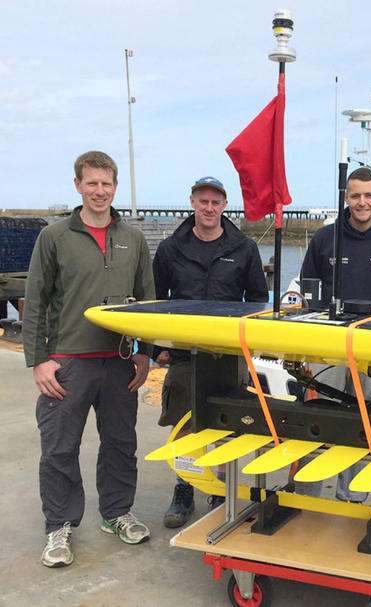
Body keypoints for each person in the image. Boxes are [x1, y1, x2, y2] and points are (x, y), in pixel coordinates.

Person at [23, 151, 155, 568]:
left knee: (121, 443)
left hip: (118, 362)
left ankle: (116, 513)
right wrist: (39, 360)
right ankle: (59, 526)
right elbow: (35, 300)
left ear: (116, 186)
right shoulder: (56, 236)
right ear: (78, 185)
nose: (100, 191)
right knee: (60, 448)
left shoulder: (132, 239)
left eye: (107, 183)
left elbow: (147, 301)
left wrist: (144, 353)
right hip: (68, 363)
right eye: (92, 183)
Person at [153, 176, 268, 528]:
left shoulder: (244, 248)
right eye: (202, 201)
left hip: (228, 356)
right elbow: (156, 300)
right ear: (192, 202)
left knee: (225, 425)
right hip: (186, 355)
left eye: (215, 202)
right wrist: (156, 347)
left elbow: (259, 301)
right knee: (185, 425)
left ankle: (220, 487)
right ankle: (185, 487)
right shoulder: (171, 248)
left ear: (224, 205)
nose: (209, 208)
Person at [299, 167, 371, 501]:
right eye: (355, 195)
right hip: (327, 351)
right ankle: (305, 495)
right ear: (346, 197)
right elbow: (309, 291)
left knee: (365, 426)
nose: (362, 202)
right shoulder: (324, 238)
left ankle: (354, 498)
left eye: (368, 195)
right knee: (317, 422)